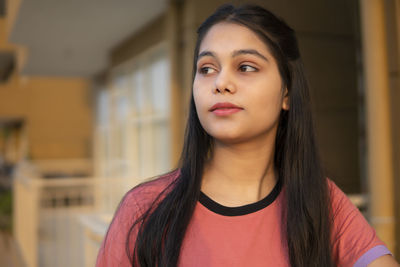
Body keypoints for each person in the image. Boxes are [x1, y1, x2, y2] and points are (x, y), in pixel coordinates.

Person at [96, 4, 399, 267]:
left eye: (245, 66)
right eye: (206, 69)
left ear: (287, 93)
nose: (221, 82)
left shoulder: (321, 202)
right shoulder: (144, 209)